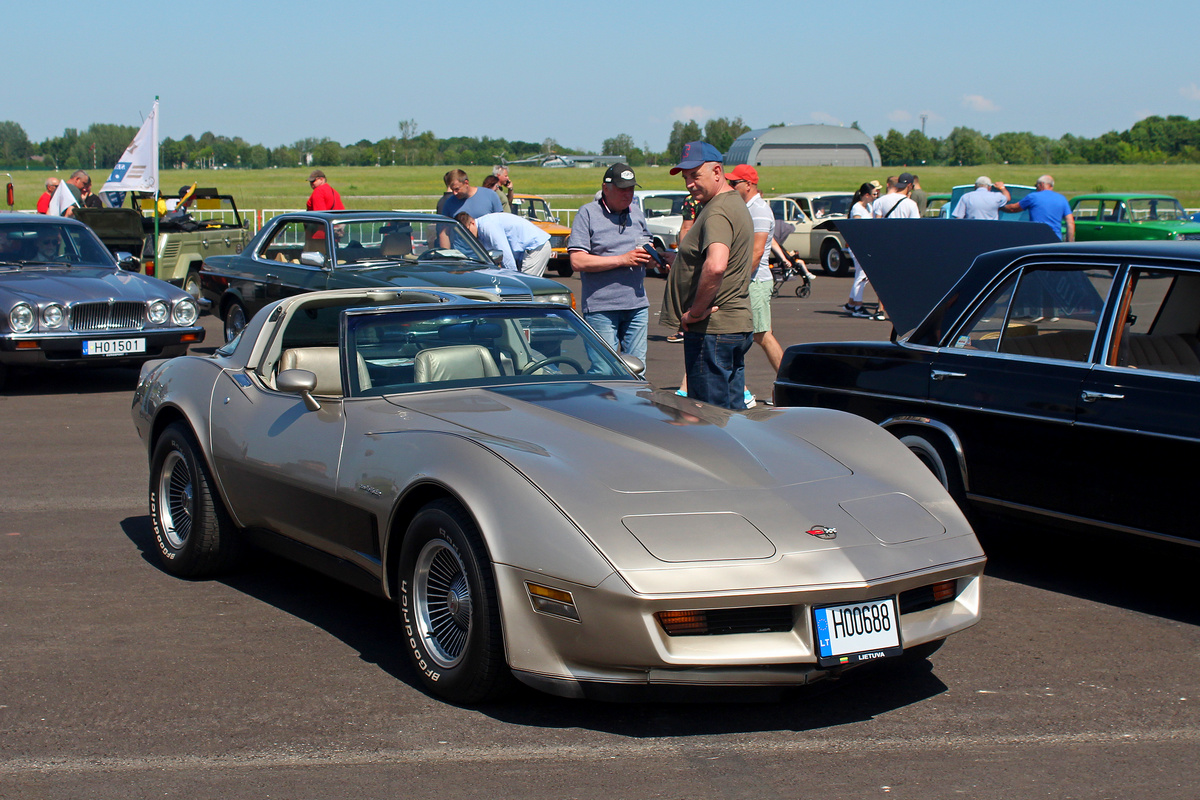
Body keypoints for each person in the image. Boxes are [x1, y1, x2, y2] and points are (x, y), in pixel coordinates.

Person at [660, 142, 755, 410]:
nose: (689, 184)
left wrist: (695, 313)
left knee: (710, 420)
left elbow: (715, 266)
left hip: (713, 330)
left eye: (695, 176)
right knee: (733, 416)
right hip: (733, 325)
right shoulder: (731, 204)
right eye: (686, 178)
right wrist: (680, 262)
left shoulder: (717, 211)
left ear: (717, 171)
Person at [567, 163, 653, 362]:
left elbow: (646, 246)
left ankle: (636, 394)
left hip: (637, 305)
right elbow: (577, 261)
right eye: (623, 189)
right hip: (601, 307)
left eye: (631, 188)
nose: (628, 194)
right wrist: (623, 260)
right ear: (606, 188)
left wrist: (654, 258)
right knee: (605, 369)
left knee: (637, 369)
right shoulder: (587, 214)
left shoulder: (636, 213)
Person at [725, 165, 784, 375]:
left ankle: (789, 378)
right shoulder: (749, 208)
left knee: (762, 335)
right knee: (745, 334)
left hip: (755, 281)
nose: (731, 187)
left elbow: (757, 253)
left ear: (748, 185)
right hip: (750, 280)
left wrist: (735, 282)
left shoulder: (758, 210)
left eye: (734, 183)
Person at [457, 211, 551, 276]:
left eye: (468, 231)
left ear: (472, 223)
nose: (468, 235)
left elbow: (505, 255)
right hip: (526, 251)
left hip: (536, 247)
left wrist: (512, 277)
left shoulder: (488, 227)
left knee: (525, 286)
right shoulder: (480, 232)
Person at [843, 182, 881, 318]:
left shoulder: (868, 207)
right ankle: (857, 306)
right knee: (861, 276)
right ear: (866, 195)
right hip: (859, 246)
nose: (876, 196)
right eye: (874, 194)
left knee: (861, 275)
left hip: (865, 245)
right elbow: (857, 228)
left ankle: (851, 304)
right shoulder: (857, 208)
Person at [1003, 174, 1075, 241]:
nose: (1036, 188)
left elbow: (1013, 208)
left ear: (1041, 184)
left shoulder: (1033, 197)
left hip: (1037, 238)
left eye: (1036, 186)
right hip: (1055, 239)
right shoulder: (1062, 199)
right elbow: (1070, 223)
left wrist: (1000, 206)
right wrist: (1069, 242)